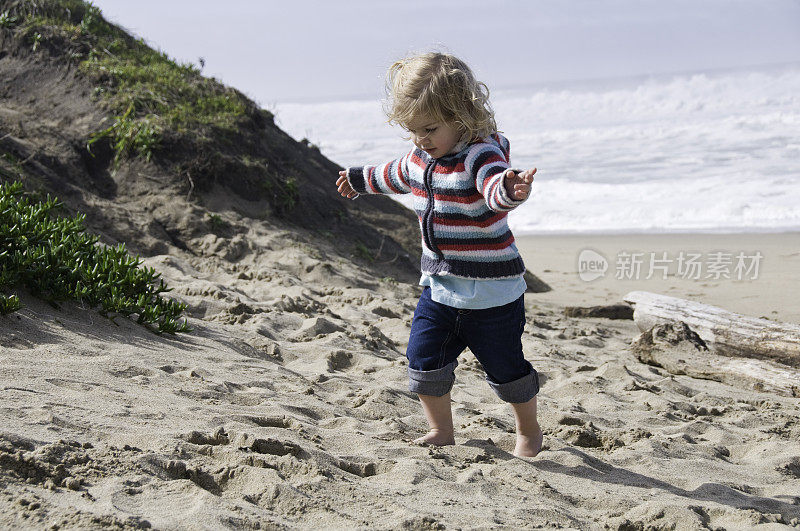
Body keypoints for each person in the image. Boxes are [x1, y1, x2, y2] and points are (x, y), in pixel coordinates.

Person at [335, 52, 542, 457]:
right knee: (423, 359)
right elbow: (394, 173)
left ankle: (529, 431)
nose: (420, 140)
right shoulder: (419, 157)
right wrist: (360, 179)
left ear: (462, 115)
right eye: (412, 131)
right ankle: (441, 430)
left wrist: (512, 189)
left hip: (492, 295)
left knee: (506, 371)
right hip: (440, 288)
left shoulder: (480, 154)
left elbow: (494, 187)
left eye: (429, 129)